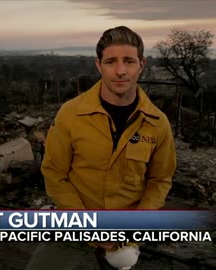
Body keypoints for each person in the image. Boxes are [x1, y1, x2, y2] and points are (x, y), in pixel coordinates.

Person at [25, 26, 176, 270]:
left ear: (141, 64)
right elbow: (54, 173)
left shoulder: (157, 123)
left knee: (123, 262)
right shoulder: (71, 114)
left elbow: (160, 179)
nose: (120, 71)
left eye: (128, 61)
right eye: (111, 61)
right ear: (99, 65)